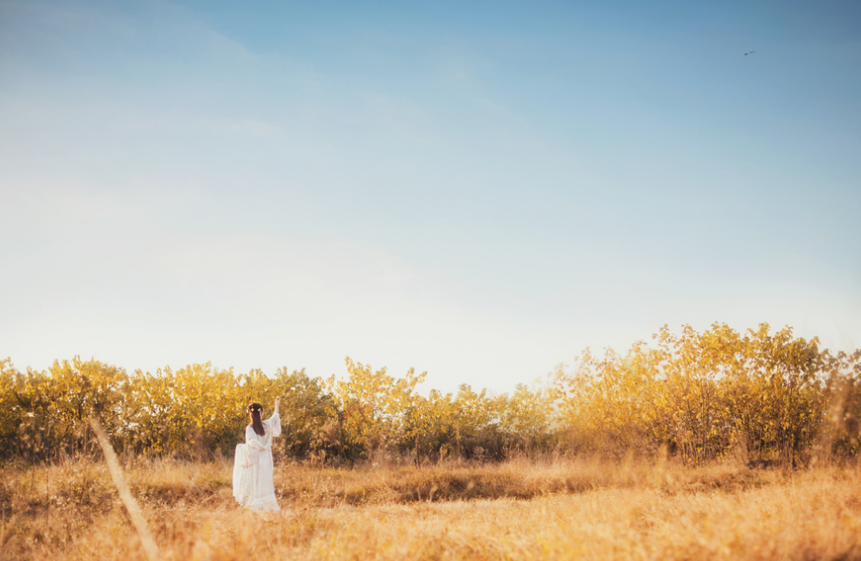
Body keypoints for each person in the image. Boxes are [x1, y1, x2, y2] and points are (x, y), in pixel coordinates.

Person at [233, 396, 281, 512]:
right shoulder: (266, 426)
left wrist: (240, 448)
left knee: (257, 482)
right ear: (261, 413)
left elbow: (252, 447)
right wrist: (276, 406)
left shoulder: (250, 428)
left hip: (258, 460)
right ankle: (268, 507)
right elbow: (274, 418)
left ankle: (258, 507)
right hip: (267, 460)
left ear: (250, 414)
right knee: (266, 482)